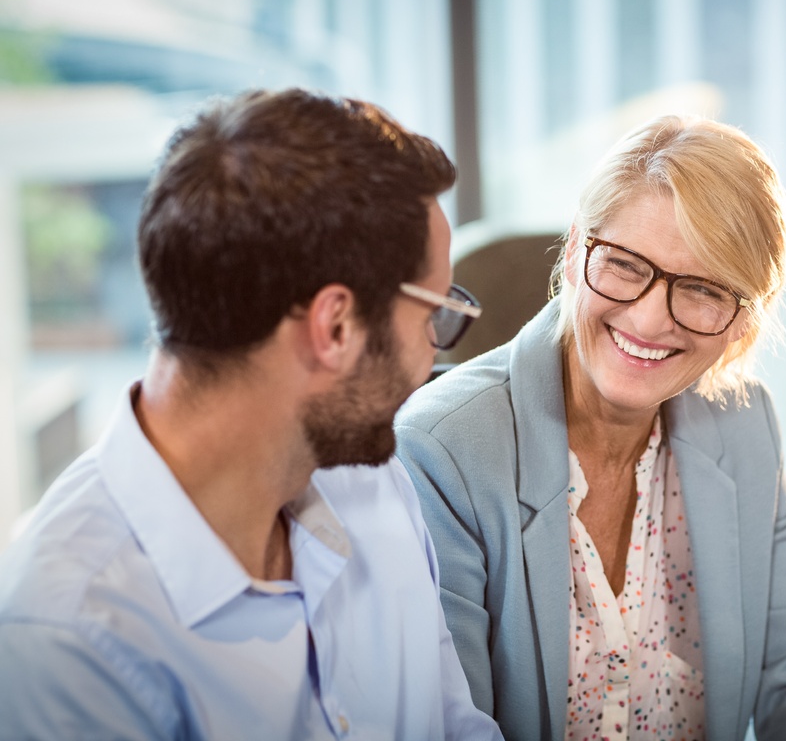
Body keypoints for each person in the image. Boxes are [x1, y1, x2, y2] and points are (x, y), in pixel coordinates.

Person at [394, 115, 786, 741]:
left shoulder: (742, 426)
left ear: (746, 317)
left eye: (701, 289)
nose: (649, 319)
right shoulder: (442, 452)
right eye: (626, 265)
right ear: (578, 245)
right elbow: (448, 730)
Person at [0, 88, 500, 740]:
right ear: (337, 325)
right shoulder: (69, 637)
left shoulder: (372, 478)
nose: (432, 350)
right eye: (432, 311)